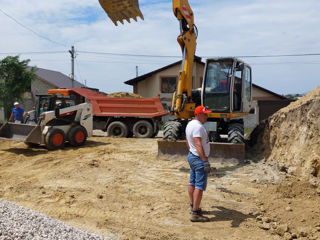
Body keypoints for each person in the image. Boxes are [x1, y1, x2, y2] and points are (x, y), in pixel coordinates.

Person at [185, 105, 212, 222]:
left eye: (207, 114)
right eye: (204, 114)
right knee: (199, 186)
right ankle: (195, 213)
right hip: (198, 158)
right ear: (197, 114)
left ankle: (193, 206)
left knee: (192, 182)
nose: (207, 116)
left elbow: (187, 140)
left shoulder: (190, 124)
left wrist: (191, 151)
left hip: (192, 156)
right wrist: (204, 160)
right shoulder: (198, 127)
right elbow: (197, 143)